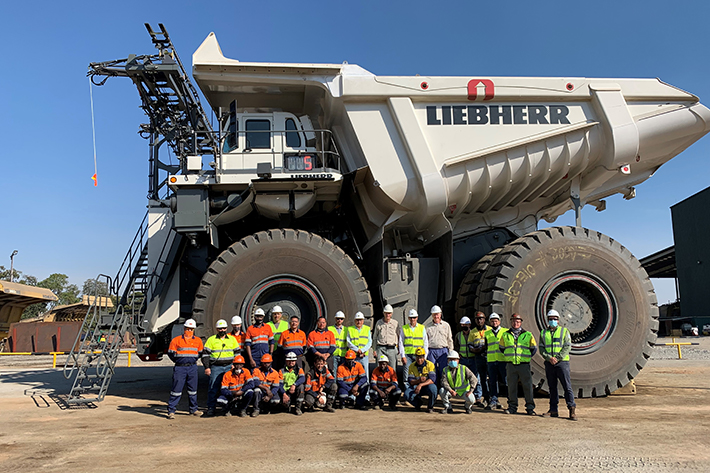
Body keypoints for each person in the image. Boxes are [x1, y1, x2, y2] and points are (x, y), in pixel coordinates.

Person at [540, 309, 577, 421]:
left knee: (567, 386)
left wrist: (558, 357)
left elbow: (567, 346)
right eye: (551, 319)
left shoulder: (564, 331)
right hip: (549, 362)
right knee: (552, 387)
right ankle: (553, 410)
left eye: (555, 319)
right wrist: (548, 358)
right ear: (548, 320)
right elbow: (541, 348)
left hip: (562, 363)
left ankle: (572, 409)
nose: (553, 321)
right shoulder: (543, 333)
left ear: (558, 320)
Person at [499, 313, 538, 415]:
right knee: (511, 387)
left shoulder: (528, 335)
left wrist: (526, 358)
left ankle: (530, 408)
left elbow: (533, 349)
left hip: (524, 365)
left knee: (528, 387)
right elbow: (502, 348)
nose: (515, 323)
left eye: (517, 321)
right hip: (511, 365)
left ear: (521, 322)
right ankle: (512, 407)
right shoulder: (505, 335)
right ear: (511, 322)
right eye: (513, 321)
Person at [166, 319, 204, 419]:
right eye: (188, 329)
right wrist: (179, 361)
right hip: (180, 368)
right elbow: (171, 353)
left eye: (191, 329)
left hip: (192, 367)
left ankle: (194, 409)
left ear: (194, 329)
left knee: (193, 390)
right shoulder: (176, 340)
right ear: (184, 328)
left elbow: (200, 353)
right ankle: (171, 410)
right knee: (176, 390)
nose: (189, 331)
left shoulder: (198, 341)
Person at [202, 319, 240, 417]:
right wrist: (207, 367)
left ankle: (228, 408)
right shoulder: (211, 340)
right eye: (220, 328)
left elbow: (237, 353)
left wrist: (235, 365)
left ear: (227, 328)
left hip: (229, 367)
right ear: (217, 329)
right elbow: (205, 355)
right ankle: (211, 408)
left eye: (223, 328)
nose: (222, 330)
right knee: (213, 388)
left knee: (231, 387)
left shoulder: (232, 339)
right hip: (216, 367)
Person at [440, 350, 478, 414]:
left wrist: (471, 390)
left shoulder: (464, 368)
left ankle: (467, 407)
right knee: (442, 390)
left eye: (454, 360)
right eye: (450, 360)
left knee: (472, 400)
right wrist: (451, 390)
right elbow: (444, 382)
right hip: (452, 392)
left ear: (458, 360)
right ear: (447, 360)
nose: (452, 361)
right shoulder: (445, 370)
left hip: (464, 392)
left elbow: (474, 379)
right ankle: (448, 407)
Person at [399, 309, 429, 389]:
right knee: (406, 375)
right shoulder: (404, 328)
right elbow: (401, 342)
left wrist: (424, 356)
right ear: (408, 318)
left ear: (417, 318)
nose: (413, 319)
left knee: (419, 373)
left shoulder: (422, 328)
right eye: (411, 318)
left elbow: (425, 342)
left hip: (419, 356)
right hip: (408, 355)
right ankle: (408, 392)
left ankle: (418, 392)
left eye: (414, 317)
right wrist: (403, 356)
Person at [484, 313, 508, 410]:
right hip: (491, 360)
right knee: (492, 382)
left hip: (503, 360)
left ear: (499, 321)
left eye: (496, 321)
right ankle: (494, 400)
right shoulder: (487, 333)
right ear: (490, 322)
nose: (494, 322)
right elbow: (486, 346)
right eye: (492, 321)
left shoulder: (505, 332)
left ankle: (510, 401)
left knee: (506, 381)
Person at [467, 311, 491, 407]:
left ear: (484, 320)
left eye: (481, 319)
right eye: (477, 319)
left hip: (489, 356)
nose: (479, 321)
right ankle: (485, 397)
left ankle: (494, 398)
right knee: (482, 378)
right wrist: (474, 350)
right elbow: (469, 344)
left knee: (493, 379)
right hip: (478, 357)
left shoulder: (489, 330)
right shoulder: (473, 332)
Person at [404, 347, 438, 413]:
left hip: (427, 386)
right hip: (415, 387)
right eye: (418, 357)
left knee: (433, 389)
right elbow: (411, 381)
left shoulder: (430, 365)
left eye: (421, 357)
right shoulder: (411, 366)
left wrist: (421, 384)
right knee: (407, 394)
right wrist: (418, 381)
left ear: (424, 357)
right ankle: (418, 404)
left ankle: (430, 407)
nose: (419, 360)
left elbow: (432, 380)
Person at [426, 305, 453, 386]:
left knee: (444, 370)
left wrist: (450, 352)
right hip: (431, 350)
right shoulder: (427, 326)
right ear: (432, 315)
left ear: (440, 314)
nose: (436, 316)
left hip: (443, 350)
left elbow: (449, 339)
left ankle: (444, 388)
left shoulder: (446, 325)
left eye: (437, 314)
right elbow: (425, 341)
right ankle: (434, 388)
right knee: (432, 371)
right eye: (434, 314)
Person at [347, 312, 372, 381]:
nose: (359, 322)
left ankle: (366, 390)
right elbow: (348, 342)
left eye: (360, 320)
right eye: (357, 320)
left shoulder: (367, 329)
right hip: (354, 355)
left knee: (365, 373)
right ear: (355, 321)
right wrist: (357, 350)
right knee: (354, 373)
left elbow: (369, 342)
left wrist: (362, 350)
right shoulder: (350, 329)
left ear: (363, 321)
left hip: (364, 355)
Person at [373, 304, 399, 372]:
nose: (388, 315)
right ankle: (379, 381)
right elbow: (375, 337)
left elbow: (398, 336)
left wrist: (398, 348)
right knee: (379, 368)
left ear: (392, 314)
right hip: (380, 348)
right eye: (386, 313)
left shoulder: (395, 323)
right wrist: (374, 349)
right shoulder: (379, 323)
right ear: (383, 313)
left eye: (389, 313)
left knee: (392, 369)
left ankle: (393, 382)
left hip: (392, 348)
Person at [328, 311, 349, 375]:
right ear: (335, 319)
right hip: (334, 354)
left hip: (343, 354)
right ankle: (335, 384)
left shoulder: (346, 329)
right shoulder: (330, 329)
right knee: (334, 372)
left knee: (342, 372)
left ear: (343, 320)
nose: (339, 320)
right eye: (338, 318)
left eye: (341, 319)